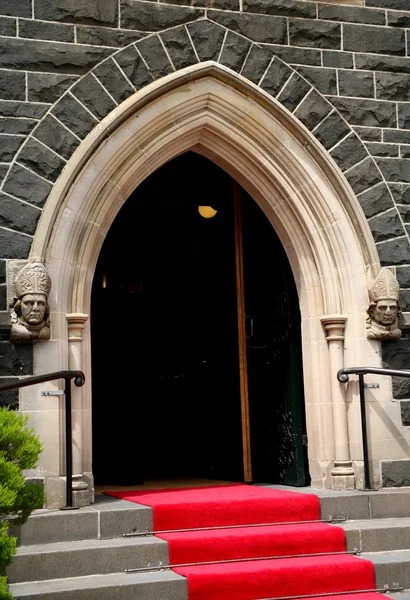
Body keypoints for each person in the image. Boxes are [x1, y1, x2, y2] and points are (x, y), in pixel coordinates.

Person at [10, 260, 51, 342]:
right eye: (29, 303)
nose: (35, 308)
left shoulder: (45, 332)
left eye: (40, 303)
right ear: (19, 305)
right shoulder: (17, 330)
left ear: (46, 307)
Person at [367, 268, 401, 340]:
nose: (388, 312)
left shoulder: (396, 332)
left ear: (398, 310)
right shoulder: (372, 332)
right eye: (382, 308)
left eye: (392, 308)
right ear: (372, 311)